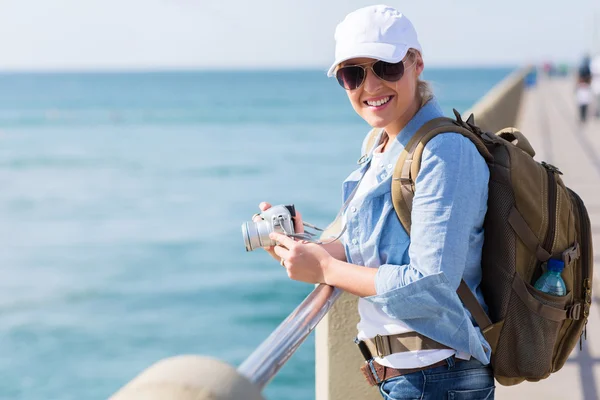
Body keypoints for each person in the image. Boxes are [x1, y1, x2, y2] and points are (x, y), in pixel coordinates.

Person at [254, 5, 494, 399]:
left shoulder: (444, 151)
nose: (370, 86)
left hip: (438, 379)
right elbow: (370, 251)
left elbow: (431, 284)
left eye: (386, 66)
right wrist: (302, 248)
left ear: (416, 63)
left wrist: (327, 268)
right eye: (353, 74)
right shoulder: (381, 146)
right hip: (407, 378)